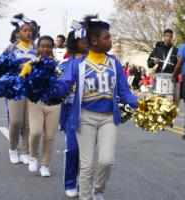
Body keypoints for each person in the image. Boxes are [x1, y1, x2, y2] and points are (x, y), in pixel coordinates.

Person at [51, 15, 139, 200]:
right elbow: (63, 85)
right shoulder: (78, 64)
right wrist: (48, 86)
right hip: (85, 118)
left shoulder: (114, 62)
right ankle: (85, 196)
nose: (111, 41)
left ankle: (98, 190)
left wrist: (141, 104)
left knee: (107, 161)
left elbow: (124, 91)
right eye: (107, 38)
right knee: (87, 164)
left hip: (108, 118)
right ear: (95, 41)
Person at [20, 36, 61, 177]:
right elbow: (21, 81)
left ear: (52, 48)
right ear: (38, 48)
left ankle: (45, 165)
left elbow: (64, 83)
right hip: (36, 103)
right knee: (36, 132)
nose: (45, 49)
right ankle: (33, 157)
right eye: (42, 46)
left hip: (54, 104)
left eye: (48, 46)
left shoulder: (58, 65)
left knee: (49, 136)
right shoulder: (30, 64)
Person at [59, 22, 88, 198]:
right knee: (74, 149)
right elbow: (60, 88)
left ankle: (85, 184)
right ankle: (70, 182)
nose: (85, 42)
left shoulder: (99, 61)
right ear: (73, 41)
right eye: (81, 39)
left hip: (93, 112)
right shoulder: (65, 64)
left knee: (89, 154)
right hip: (71, 112)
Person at [4, 14, 37, 164]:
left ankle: (25, 151)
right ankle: (12, 148)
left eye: (30, 30)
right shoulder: (11, 48)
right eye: (25, 30)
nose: (28, 32)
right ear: (19, 32)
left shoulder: (37, 48)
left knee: (29, 122)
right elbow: (2, 66)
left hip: (32, 88)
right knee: (16, 121)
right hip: (15, 87)